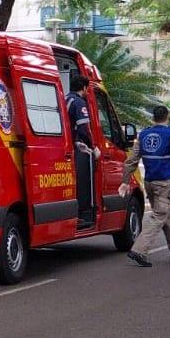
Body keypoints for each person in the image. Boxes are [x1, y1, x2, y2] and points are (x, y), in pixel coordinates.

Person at [118, 105, 170, 267]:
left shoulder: (143, 134)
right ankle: (139, 250)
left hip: (149, 182)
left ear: (153, 117)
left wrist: (125, 181)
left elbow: (131, 160)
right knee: (159, 216)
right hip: (163, 182)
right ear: (167, 117)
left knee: (165, 214)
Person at [64, 73, 98, 227]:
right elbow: (84, 128)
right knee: (79, 180)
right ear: (84, 88)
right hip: (72, 149)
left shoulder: (65, 98)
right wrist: (92, 146)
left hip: (67, 143)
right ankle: (80, 214)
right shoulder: (79, 102)